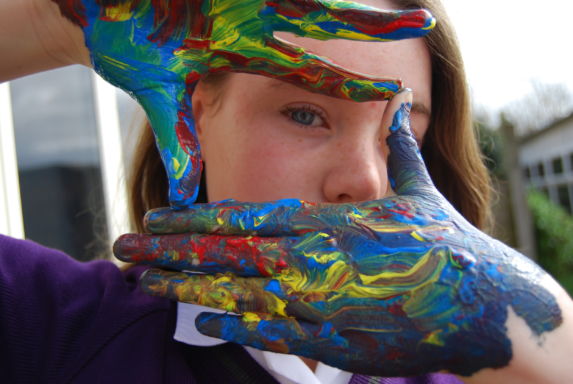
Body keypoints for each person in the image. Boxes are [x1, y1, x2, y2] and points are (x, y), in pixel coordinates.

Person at [1, 1, 572, 384]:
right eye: (304, 113)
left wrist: (524, 317)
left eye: (403, 135)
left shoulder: (478, 365)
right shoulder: (58, 332)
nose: (367, 182)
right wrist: (62, 22)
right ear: (192, 119)